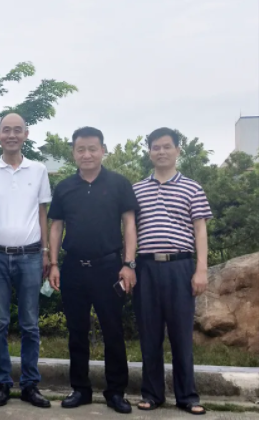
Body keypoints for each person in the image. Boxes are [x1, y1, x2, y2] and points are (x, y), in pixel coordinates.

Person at [48, 126, 138, 414]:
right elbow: (56, 226)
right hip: (73, 267)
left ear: (103, 150)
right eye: (80, 149)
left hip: (109, 267)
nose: (86, 154)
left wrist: (129, 264)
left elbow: (129, 224)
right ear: (73, 153)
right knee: (76, 331)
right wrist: (53, 263)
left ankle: (116, 392)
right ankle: (80, 389)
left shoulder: (119, 184)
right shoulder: (64, 187)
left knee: (113, 331)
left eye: (92, 149)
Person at [132, 127, 212, 416]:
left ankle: (187, 396)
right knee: (149, 334)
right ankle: (152, 394)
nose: (161, 152)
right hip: (146, 268)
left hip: (180, 267)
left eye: (167, 146)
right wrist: (129, 266)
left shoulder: (192, 188)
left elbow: (200, 230)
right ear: (149, 152)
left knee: (181, 335)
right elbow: (130, 230)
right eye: (156, 147)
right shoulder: (137, 189)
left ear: (178, 150)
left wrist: (201, 269)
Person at [0, 113, 51, 408]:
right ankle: (2, 383)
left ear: (26, 135)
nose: (11, 135)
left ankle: (31, 384)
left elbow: (43, 213)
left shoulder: (39, 170)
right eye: (6, 130)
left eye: (17, 130)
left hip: (31, 256)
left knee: (30, 324)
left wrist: (46, 252)